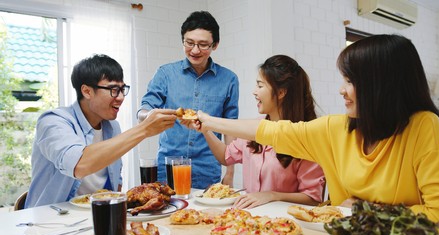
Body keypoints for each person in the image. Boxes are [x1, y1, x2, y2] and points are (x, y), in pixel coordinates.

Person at [192, 34, 439, 235]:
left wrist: (366, 210)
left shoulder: (423, 127)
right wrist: (207, 121)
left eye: (349, 81)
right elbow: (273, 131)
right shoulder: (338, 128)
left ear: (382, 85)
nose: (341, 90)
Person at [26, 54, 177, 208]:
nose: (120, 97)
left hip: (98, 217)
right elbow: (79, 165)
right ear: (87, 91)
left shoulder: (112, 127)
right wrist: (144, 129)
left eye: (122, 89)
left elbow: (116, 184)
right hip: (49, 221)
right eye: (113, 89)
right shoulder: (53, 121)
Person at [186, 55, 325, 209]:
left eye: (260, 86)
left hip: (283, 223)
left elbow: (313, 198)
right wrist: (205, 130)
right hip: (247, 219)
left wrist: (272, 195)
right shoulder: (255, 128)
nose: (254, 91)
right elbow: (225, 156)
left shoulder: (306, 135)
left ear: (281, 92)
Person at [137, 11, 239, 189]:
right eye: (189, 43)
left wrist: (230, 173)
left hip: (208, 168)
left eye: (203, 45)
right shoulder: (165, 73)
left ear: (215, 45)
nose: (195, 50)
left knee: (204, 217)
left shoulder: (229, 79)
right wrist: (150, 115)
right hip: (168, 167)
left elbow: (230, 128)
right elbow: (144, 110)